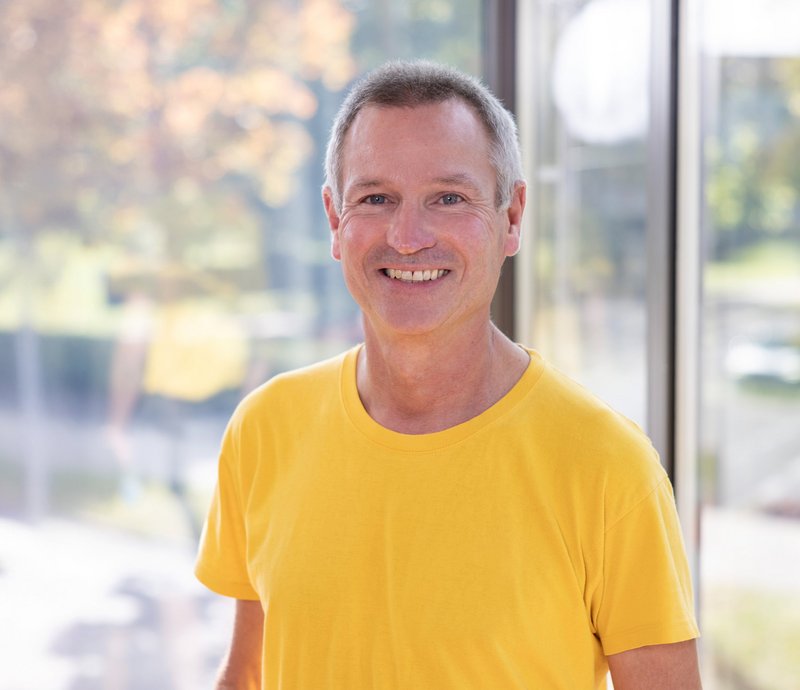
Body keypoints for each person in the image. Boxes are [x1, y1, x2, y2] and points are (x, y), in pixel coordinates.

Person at [195, 60, 702, 689]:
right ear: (334, 219)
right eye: (376, 198)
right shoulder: (265, 428)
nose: (408, 237)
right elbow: (246, 675)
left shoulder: (608, 467)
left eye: (449, 198)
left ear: (511, 217)